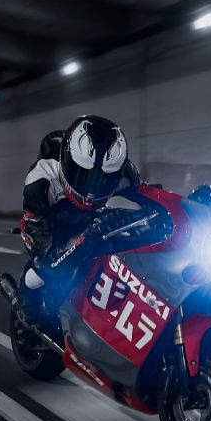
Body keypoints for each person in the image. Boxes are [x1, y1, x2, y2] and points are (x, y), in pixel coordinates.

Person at [17, 115, 141, 330]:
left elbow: (148, 195)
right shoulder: (39, 180)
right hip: (46, 221)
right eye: (82, 175)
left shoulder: (124, 171)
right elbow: (45, 242)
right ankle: (27, 288)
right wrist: (85, 234)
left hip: (89, 219)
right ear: (66, 162)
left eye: (102, 179)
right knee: (47, 268)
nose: (91, 190)